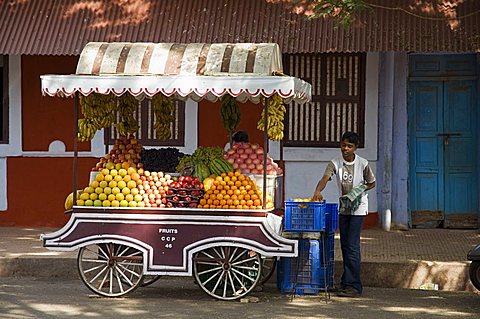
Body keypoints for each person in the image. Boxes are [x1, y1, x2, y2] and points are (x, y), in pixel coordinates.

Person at [312, 131, 375, 298]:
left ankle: (354, 286)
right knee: (346, 245)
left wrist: (359, 190)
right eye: (343, 145)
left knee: (352, 246)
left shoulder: (363, 163)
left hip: (358, 208)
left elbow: (372, 183)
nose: (345, 148)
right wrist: (318, 190)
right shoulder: (335, 163)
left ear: (355, 148)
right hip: (344, 208)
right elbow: (325, 178)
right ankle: (346, 282)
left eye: (349, 146)